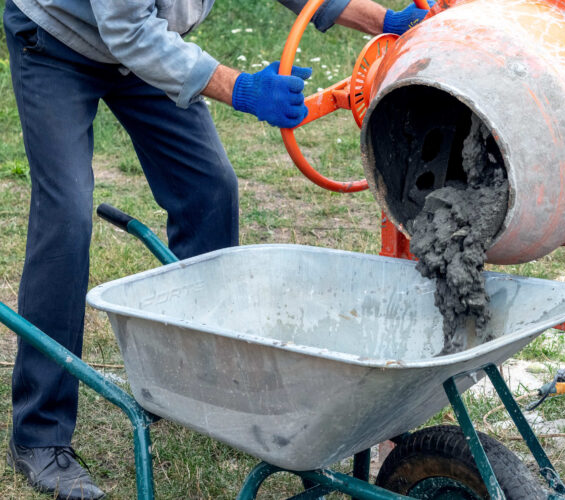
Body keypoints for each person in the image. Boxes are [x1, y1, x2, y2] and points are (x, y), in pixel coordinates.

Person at [2, 0, 430, 497]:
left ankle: (189, 389)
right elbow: (127, 29)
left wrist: (385, 21)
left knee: (210, 189)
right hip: (59, 40)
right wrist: (242, 88)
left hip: (148, 43)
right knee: (67, 217)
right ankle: (40, 435)